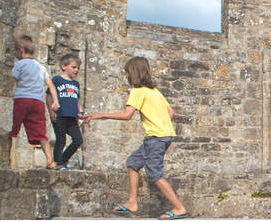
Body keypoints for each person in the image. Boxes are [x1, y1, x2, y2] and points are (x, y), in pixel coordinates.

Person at [86, 57, 187, 220]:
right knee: (133, 162)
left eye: (127, 72)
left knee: (154, 173)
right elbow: (171, 112)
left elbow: (127, 115)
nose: (126, 76)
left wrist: (101, 115)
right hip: (162, 136)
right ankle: (132, 202)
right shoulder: (154, 91)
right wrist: (160, 123)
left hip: (155, 137)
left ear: (133, 73)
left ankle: (178, 207)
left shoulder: (137, 91)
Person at [9, 35, 60, 169]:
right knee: (41, 133)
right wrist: (55, 100)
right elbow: (51, 85)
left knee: (12, 129)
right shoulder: (41, 67)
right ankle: (51, 161)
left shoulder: (18, 64)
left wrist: (8, 95)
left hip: (21, 99)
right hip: (37, 103)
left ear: (20, 50)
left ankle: (8, 158)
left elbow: (12, 81)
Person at [46, 53, 84, 170]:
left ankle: (63, 159)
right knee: (61, 139)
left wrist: (81, 112)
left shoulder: (76, 84)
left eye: (78, 68)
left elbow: (76, 100)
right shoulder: (57, 79)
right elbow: (48, 96)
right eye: (73, 67)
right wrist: (51, 111)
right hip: (60, 115)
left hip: (72, 117)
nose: (76, 70)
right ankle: (58, 162)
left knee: (78, 140)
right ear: (64, 66)